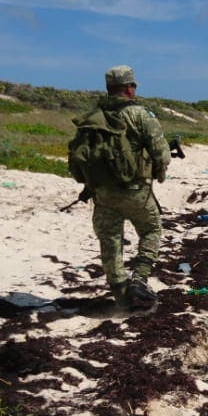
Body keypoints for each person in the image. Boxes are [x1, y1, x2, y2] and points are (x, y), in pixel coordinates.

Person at [78, 65, 171, 309]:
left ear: (109, 88)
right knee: (152, 230)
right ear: (130, 88)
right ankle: (139, 279)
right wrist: (160, 172)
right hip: (136, 191)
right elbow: (161, 154)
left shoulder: (93, 116)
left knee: (110, 241)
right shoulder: (141, 115)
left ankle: (120, 295)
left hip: (103, 192)